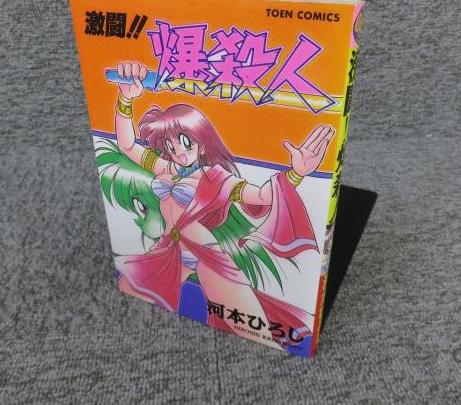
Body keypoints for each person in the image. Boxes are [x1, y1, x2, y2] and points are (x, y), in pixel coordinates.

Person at [113, 61, 334, 348]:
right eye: (170, 145)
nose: (179, 152)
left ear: (202, 143)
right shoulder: (166, 168)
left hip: (208, 255)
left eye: (186, 142)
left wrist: (296, 173)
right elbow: (127, 145)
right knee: (130, 287)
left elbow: (262, 196)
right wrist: (126, 99)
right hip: (169, 250)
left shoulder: (216, 177)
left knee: (249, 322)